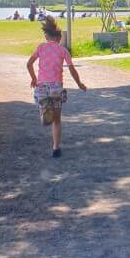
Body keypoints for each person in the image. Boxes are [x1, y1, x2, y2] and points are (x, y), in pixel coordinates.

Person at [26, 16, 86, 158]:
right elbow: (72, 69)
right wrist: (79, 84)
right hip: (56, 88)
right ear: (59, 37)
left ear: (47, 36)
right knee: (57, 120)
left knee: (46, 115)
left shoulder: (41, 48)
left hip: (41, 87)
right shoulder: (63, 50)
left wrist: (34, 78)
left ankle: (45, 113)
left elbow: (29, 64)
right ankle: (56, 148)